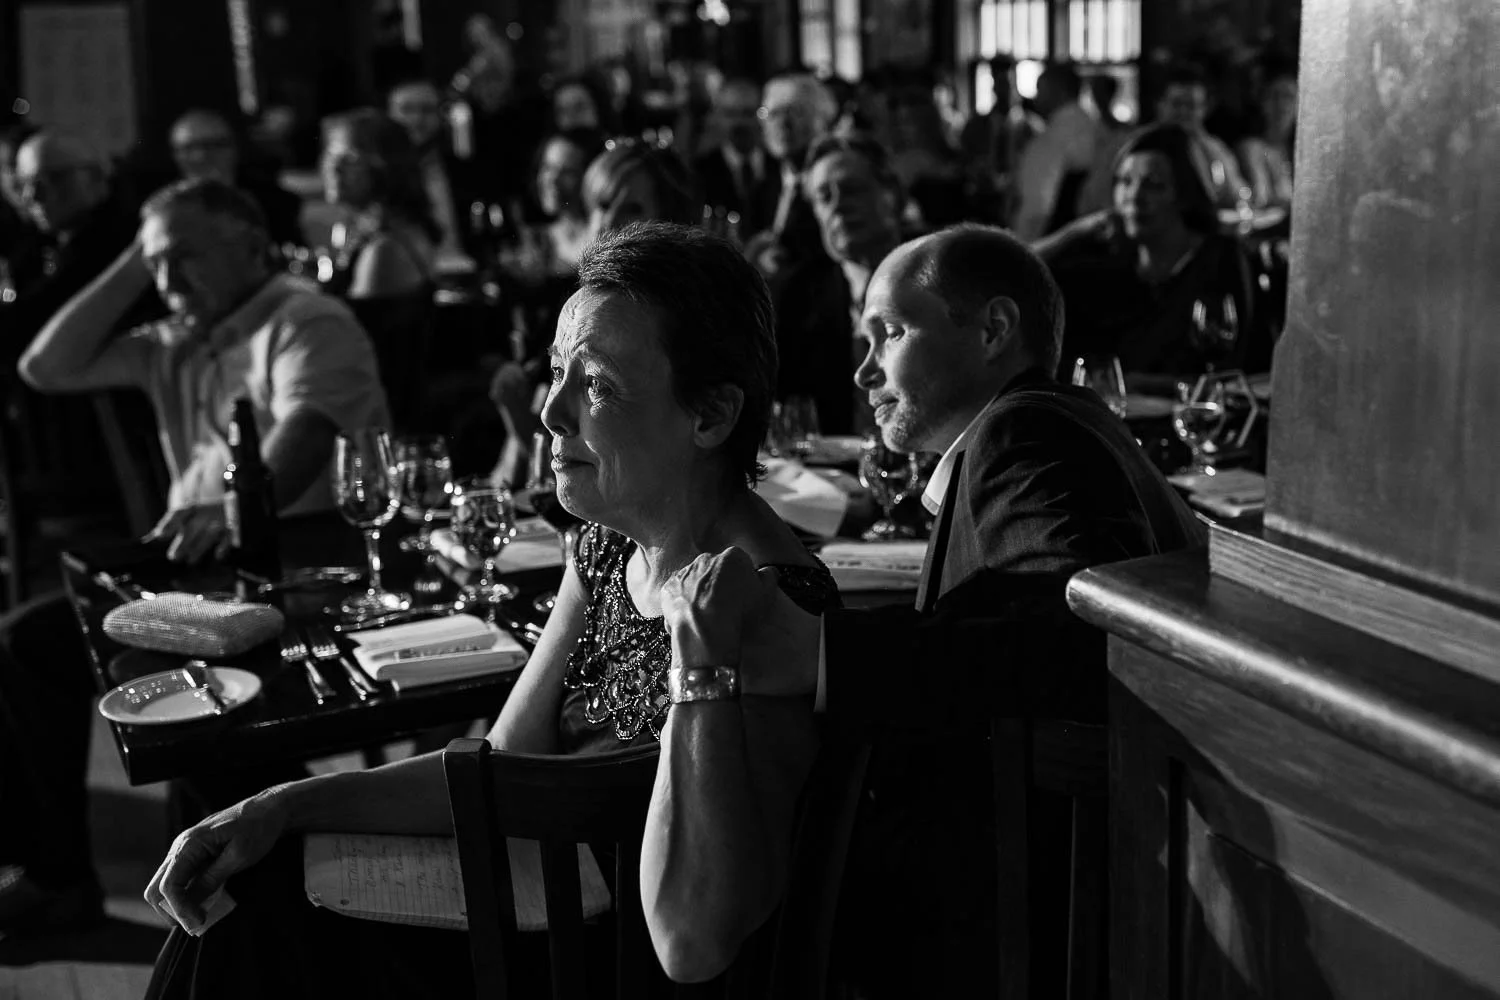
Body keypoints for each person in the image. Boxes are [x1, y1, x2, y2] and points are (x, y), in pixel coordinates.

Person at [139, 222, 837, 998]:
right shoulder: (608, 547)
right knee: (251, 883)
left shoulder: (771, 606)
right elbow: (496, 770)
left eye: (596, 384)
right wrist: (280, 804)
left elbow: (700, 942)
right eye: (557, 373)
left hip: (600, 966)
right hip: (537, 908)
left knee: (253, 925)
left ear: (710, 416)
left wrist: (700, 666)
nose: (551, 413)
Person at [648, 223, 1205, 993]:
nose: (865, 370)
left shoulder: (1024, 431)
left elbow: (1078, 630)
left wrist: (816, 651)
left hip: (1048, 923)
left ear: (995, 330)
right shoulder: (1049, 426)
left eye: (890, 333)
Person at [1, 178, 386, 934]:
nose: (170, 280)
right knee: (25, 644)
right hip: (191, 574)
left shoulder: (307, 318)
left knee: (167, 703)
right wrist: (142, 258)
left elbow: (302, 440)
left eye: (187, 258)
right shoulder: (175, 336)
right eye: (159, 267)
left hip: (299, 573)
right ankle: (60, 878)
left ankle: (285, 876)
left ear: (250, 245)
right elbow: (41, 368)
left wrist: (236, 502)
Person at [490, 139, 701, 487]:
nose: (609, 222)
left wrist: (515, 415)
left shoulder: (681, 320)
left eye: (632, 208)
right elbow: (539, 462)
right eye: (602, 205)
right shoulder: (572, 310)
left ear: (669, 219)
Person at [1037, 123, 1270, 379]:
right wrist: (1073, 233)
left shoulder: (1220, 258)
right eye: (1125, 182)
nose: (1135, 196)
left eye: (1154, 185)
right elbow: (1012, 271)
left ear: (1185, 193)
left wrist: (1141, 385)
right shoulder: (1112, 262)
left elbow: (1231, 369)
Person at [774, 133, 906, 434]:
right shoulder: (795, 295)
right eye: (824, 197)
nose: (838, 206)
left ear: (893, 195)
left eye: (852, 190)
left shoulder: (938, 280)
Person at [319, 109, 440, 300]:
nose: (334, 168)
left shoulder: (384, 250)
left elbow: (354, 327)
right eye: (331, 155)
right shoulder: (375, 231)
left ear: (385, 167)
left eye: (350, 159)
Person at [744, 71, 838, 282]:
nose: (783, 124)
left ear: (824, 120)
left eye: (796, 112)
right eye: (773, 114)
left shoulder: (835, 187)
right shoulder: (763, 186)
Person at [168, 109, 304, 247]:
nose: (200, 156)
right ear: (175, 155)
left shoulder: (277, 203)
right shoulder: (165, 209)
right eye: (188, 148)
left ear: (233, 148)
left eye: (212, 145)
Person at [1011, 63, 1104, 241]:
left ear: (1058, 91)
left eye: (1039, 89)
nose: (1035, 98)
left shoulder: (1051, 141)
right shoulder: (1095, 128)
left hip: (1053, 248)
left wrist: (1019, 248)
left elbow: (1036, 210)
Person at [385, 75, 474, 259]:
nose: (417, 119)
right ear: (390, 114)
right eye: (407, 110)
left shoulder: (462, 167)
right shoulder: (383, 176)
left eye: (427, 110)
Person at [1154, 61, 1250, 211]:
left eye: (1191, 106)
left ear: (1204, 109)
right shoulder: (1147, 148)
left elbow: (1237, 193)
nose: (1184, 113)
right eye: (1176, 104)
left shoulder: (1213, 146)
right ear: (1160, 104)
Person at [694, 77, 779, 237]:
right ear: (718, 116)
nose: (739, 122)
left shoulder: (779, 166)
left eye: (747, 113)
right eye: (730, 114)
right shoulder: (700, 171)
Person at [1236, 56, 1297, 211]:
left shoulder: (1297, 153)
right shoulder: (1252, 148)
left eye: (1289, 97)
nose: (1282, 105)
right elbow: (1261, 199)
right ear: (1263, 102)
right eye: (1275, 96)